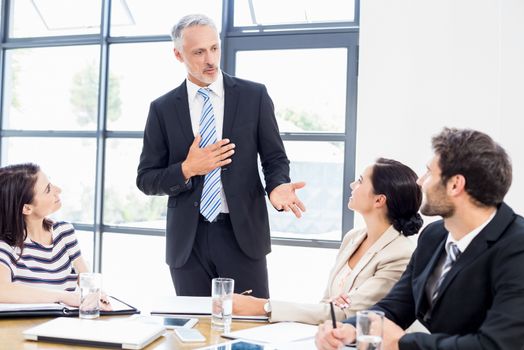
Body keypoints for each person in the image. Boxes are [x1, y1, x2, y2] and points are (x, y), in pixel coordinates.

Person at [136, 14, 305, 298]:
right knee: (196, 334)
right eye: (199, 52)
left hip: (242, 236)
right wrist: (187, 168)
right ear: (178, 54)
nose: (210, 59)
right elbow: (146, 179)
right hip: (188, 244)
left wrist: (276, 186)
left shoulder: (254, 96)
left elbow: (275, 158)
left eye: (214, 48)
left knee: (249, 331)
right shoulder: (162, 109)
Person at [315, 127, 524, 350]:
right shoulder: (433, 236)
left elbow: (498, 345)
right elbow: (397, 305)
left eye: (429, 173)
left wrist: (403, 343)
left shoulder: (518, 248)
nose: (420, 182)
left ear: (455, 185)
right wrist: (351, 329)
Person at [233, 158, 423, 324]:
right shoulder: (353, 238)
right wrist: (334, 307)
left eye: (360, 181)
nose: (352, 185)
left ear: (379, 200)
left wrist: (264, 306)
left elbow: (349, 313)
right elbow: (328, 305)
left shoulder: (399, 254)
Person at [0, 163, 107, 307]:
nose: (58, 190)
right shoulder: (7, 246)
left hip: (63, 325)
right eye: (48, 189)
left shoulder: (64, 232)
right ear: (27, 208)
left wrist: (97, 296)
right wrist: (64, 297)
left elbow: (86, 278)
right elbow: (2, 290)